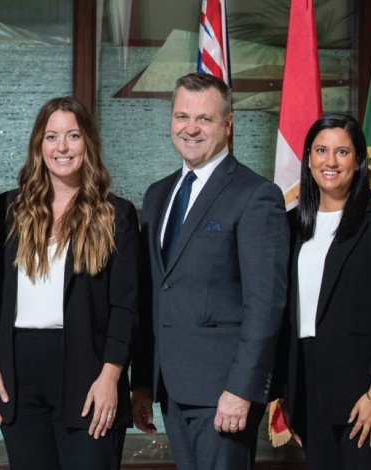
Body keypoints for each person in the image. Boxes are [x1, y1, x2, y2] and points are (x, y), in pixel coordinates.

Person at [129, 72, 288, 470]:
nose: (191, 128)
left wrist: (242, 388)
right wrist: (143, 381)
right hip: (172, 387)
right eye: (182, 116)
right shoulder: (158, 195)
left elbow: (266, 304)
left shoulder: (256, 195)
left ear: (228, 124)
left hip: (224, 391)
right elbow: (153, 294)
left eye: (204, 119)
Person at [0, 97, 139, 470]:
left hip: (89, 373)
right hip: (17, 376)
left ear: (89, 143)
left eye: (73, 136)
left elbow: (126, 307)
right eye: (52, 137)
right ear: (39, 144)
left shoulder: (116, 214)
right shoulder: (8, 210)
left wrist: (111, 377)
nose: (62, 147)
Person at [281, 114, 371, 470]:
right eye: (321, 151)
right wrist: (289, 394)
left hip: (367, 393)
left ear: (359, 160)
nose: (330, 161)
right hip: (310, 390)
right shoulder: (293, 225)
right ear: (308, 159)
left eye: (342, 152)